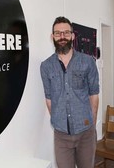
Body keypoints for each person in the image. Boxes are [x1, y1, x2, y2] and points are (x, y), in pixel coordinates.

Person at [40, 16, 99, 168]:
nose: (62, 37)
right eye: (58, 33)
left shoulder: (88, 61)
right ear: (52, 36)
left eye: (66, 33)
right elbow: (49, 99)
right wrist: (58, 119)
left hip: (85, 132)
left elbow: (94, 94)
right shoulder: (46, 66)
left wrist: (91, 124)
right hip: (61, 136)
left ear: (72, 36)